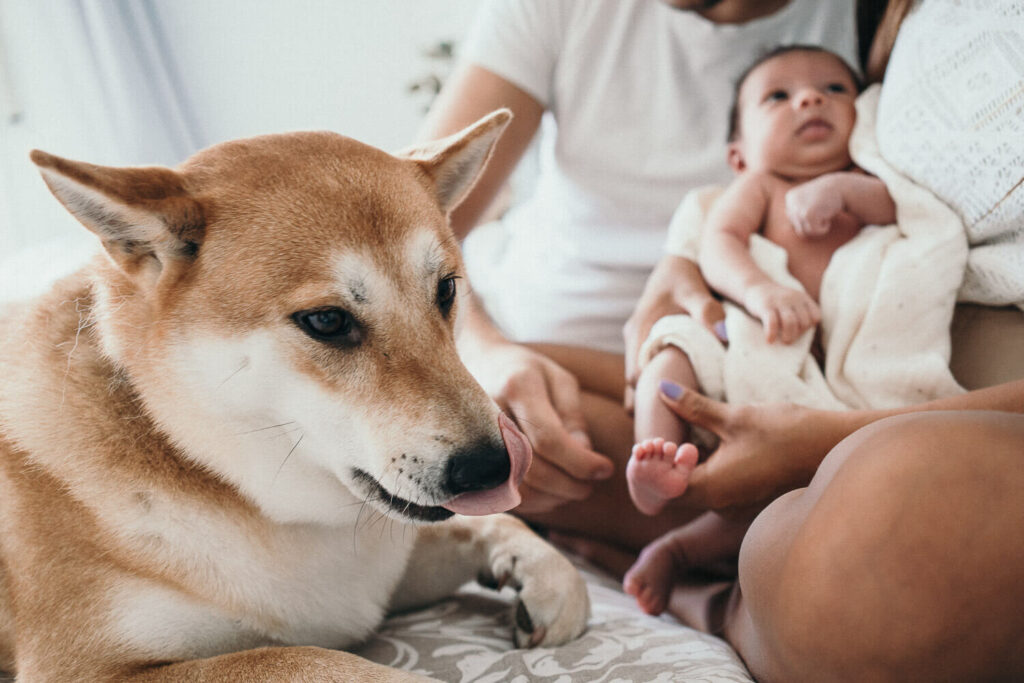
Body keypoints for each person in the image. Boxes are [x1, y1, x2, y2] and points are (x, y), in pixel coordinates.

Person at [421, 0, 860, 548]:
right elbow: (406, 223)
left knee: (775, 507)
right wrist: (482, 354)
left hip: (718, 378)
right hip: (521, 347)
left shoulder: (867, 24)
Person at [626, 45, 896, 517]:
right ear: (739, 156)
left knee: (792, 500)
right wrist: (759, 289)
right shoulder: (761, 187)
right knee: (672, 354)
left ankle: (687, 551)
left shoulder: (865, 180)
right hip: (755, 341)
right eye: (778, 96)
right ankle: (655, 462)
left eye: (835, 88)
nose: (811, 98)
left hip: (847, 371)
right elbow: (720, 243)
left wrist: (841, 189)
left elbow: (899, 210)